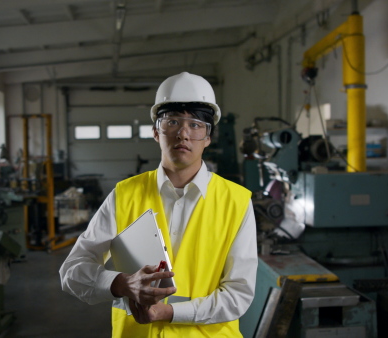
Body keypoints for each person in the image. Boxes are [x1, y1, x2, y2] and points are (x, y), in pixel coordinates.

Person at [59, 71, 258, 337]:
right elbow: (72, 272)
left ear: (208, 137)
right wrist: (122, 283)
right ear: (156, 132)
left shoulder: (236, 202)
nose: (183, 134)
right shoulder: (125, 195)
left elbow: (239, 295)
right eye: (172, 121)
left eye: (196, 125)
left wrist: (169, 312)